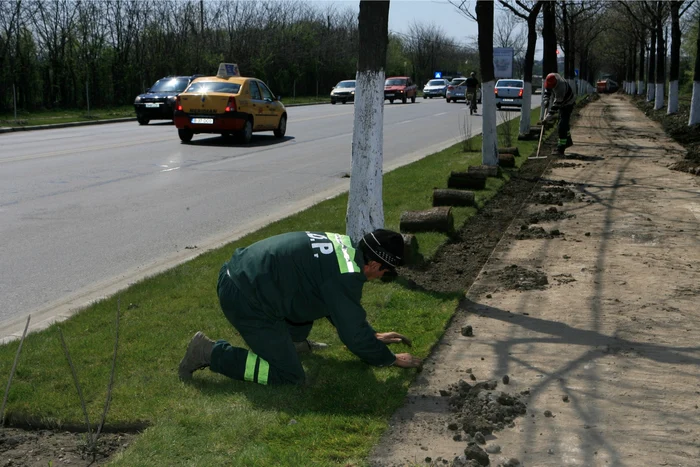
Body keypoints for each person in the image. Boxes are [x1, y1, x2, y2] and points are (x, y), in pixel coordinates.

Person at [179, 229, 422, 385]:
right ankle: (209, 353)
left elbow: (340, 309)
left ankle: (291, 344)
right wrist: (388, 359)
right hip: (245, 298)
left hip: (241, 273)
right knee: (289, 376)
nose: (381, 277)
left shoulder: (344, 246)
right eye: (385, 273)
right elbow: (353, 334)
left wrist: (373, 336)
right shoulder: (345, 277)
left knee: (310, 295)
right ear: (374, 264)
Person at [541, 72, 576, 155]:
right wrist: (546, 99)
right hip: (562, 103)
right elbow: (547, 89)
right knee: (564, 124)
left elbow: (556, 105)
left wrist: (547, 118)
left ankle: (560, 148)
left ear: (555, 83)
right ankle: (568, 141)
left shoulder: (561, 88)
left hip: (568, 104)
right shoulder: (551, 77)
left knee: (562, 126)